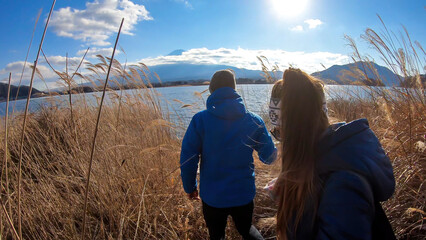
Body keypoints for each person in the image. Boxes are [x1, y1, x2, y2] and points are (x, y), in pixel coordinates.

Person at [270, 68, 395, 239]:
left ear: (293, 132)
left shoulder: (343, 185)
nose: (281, 140)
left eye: (279, 133)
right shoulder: (321, 163)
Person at [180, 69, 277, 240]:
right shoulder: (254, 120)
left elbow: (188, 159)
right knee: (246, 229)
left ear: (211, 90)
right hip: (243, 194)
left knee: (216, 236)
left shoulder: (200, 120)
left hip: (213, 197)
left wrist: (190, 187)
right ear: (234, 89)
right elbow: (269, 158)